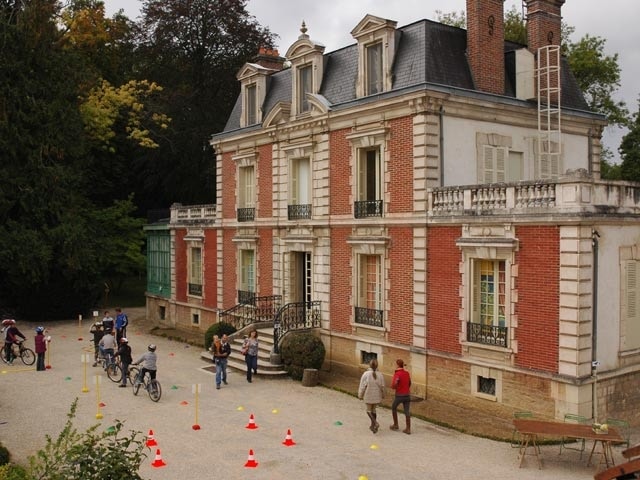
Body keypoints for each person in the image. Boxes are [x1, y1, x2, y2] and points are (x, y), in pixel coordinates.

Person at [358, 358, 385, 433]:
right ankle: (373, 426)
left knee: (368, 410)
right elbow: (383, 386)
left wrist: (360, 395)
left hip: (368, 395)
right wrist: (383, 395)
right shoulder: (380, 375)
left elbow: (362, 386)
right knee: (374, 410)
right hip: (377, 396)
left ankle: (375, 423)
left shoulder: (366, 374)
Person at [389, 358, 412, 434]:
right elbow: (409, 383)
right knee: (407, 411)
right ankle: (408, 428)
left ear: (397, 365)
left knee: (394, 407)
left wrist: (395, 387)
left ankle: (396, 424)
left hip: (399, 395)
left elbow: (394, 384)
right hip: (407, 395)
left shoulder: (397, 374)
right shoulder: (407, 373)